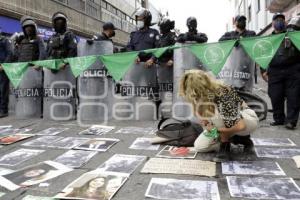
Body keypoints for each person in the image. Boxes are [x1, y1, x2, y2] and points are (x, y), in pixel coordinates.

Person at [179, 70, 259, 162]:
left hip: (246, 120)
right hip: (226, 124)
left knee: (216, 115)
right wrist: (205, 122)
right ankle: (234, 138)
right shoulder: (199, 95)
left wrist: (215, 130)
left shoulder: (221, 93)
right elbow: (199, 114)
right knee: (200, 146)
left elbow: (241, 126)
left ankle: (225, 145)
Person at [261, 13, 300, 130]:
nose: (279, 21)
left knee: (293, 96)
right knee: (275, 96)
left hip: (293, 70)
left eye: (282, 20)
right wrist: (263, 70)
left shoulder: (292, 34)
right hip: (274, 71)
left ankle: (291, 121)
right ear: (272, 23)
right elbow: (261, 55)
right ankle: (279, 119)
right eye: (277, 20)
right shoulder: (268, 39)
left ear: (286, 22)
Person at [0, 27, 13, 118]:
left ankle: (4, 110)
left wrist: (3, 65)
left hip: (3, 69)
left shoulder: (5, 41)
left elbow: (10, 53)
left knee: (3, 89)